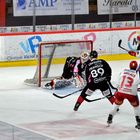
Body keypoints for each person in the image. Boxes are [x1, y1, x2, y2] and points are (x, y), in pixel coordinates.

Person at [107, 60, 140, 130]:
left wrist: (117, 89)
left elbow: (118, 82)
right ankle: (138, 122)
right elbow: (136, 83)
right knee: (136, 107)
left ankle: (110, 117)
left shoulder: (123, 71)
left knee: (116, 105)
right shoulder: (138, 74)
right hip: (131, 95)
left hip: (121, 92)